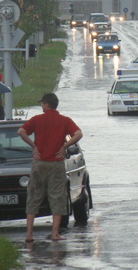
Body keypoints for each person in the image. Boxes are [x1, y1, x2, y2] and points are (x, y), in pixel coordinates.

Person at [17, 93, 83, 242]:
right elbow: (78, 134)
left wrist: (34, 146)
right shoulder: (65, 120)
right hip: (56, 163)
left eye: (42, 104)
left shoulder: (36, 120)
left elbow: (21, 131)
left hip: (39, 163)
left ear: (47, 105)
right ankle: (55, 233)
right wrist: (65, 146)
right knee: (57, 198)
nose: (41, 106)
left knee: (34, 196)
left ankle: (29, 235)